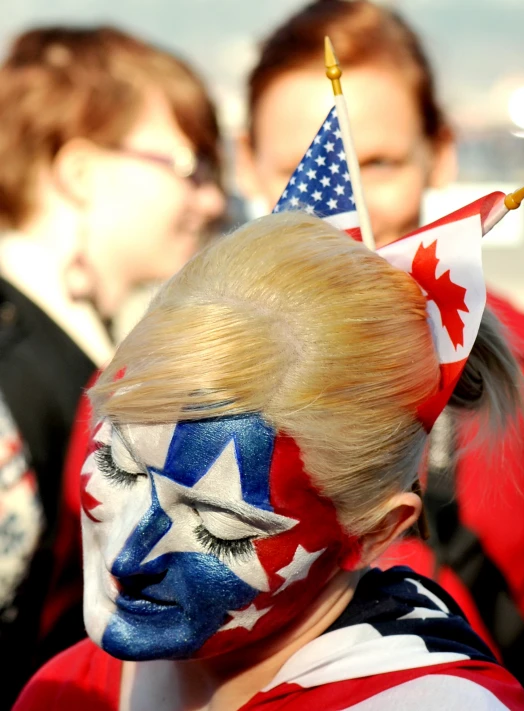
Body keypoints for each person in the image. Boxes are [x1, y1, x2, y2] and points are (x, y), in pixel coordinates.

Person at [15, 210, 524, 710]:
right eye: (118, 467)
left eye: (219, 526)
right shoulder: (69, 688)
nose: (127, 558)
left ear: (374, 533)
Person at [235, 2, 524, 710]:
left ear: (440, 150)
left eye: (380, 164)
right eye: (313, 170)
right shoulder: (169, 375)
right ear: (246, 162)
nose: (351, 211)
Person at [0, 25, 225, 707]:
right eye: (191, 167)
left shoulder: (61, 351)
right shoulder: (15, 371)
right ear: (79, 173)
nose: (212, 201)